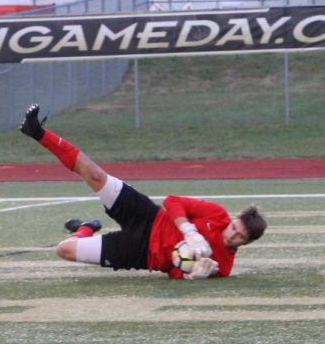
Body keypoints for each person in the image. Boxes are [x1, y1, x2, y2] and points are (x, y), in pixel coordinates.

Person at [20, 103, 266, 279]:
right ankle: (38, 133)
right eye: (235, 228)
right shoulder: (216, 214)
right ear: (234, 220)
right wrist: (189, 232)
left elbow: (173, 271)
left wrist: (191, 275)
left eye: (239, 237)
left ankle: (84, 229)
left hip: (140, 253)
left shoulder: (223, 267)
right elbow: (172, 202)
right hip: (148, 216)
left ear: (247, 242)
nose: (232, 235)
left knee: (63, 250)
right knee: (95, 174)